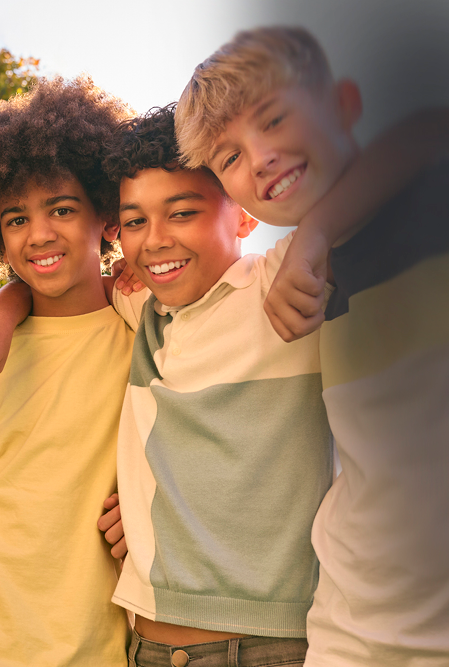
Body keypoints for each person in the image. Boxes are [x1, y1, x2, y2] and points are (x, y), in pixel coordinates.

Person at [175, 26, 449, 665]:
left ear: (347, 105)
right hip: (353, 629)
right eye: (230, 158)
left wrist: (318, 229)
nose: (260, 157)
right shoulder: (288, 276)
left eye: (274, 119)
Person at [0, 76, 146, 667]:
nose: (38, 234)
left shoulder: (145, 333)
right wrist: (2, 308)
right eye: (15, 219)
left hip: (91, 646)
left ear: (107, 218)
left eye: (62, 209)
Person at [103, 104, 330, 667]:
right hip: (146, 645)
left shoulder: (283, 284)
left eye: (181, 213)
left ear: (245, 214)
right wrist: (1, 309)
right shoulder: (143, 308)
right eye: (134, 221)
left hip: (269, 646)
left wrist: (317, 232)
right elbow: (59, 282)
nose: (154, 241)